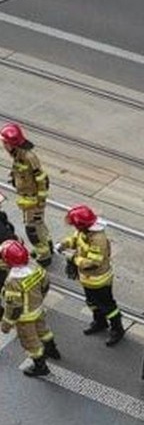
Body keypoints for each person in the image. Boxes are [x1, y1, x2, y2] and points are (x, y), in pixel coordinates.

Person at [57, 204, 125, 347]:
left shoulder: (97, 239)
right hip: (87, 279)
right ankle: (100, 322)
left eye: (76, 225)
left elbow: (93, 263)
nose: (75, 228)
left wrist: (74, 259)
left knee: (108, 306)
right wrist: (62, 245)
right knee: (92, 302)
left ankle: (117, 329)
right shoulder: (84, 231)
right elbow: (75, 240)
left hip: (99, 280)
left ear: (82, 225)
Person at [0, 240, 60, 377]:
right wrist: (39, 299)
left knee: (30, 341)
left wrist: (6, 324)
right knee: (43, 330)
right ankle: (52, 350)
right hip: (37, 308)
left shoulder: (13, 282)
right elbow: (45, 284)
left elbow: (14, 307)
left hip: (24, 317)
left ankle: (41, 367)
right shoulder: (35, 267)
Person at [0, 123, 53, 267]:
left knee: (32, 229)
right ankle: (47, 246)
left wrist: (40, 201)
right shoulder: (18, 155)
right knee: (38, 224)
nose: (3, 145)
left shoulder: (28, 156)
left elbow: (42, 179)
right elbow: (22, 173)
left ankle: (44, 256)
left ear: (11, 144)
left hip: (33, 199)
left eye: (4, 143)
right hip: (26, 198)